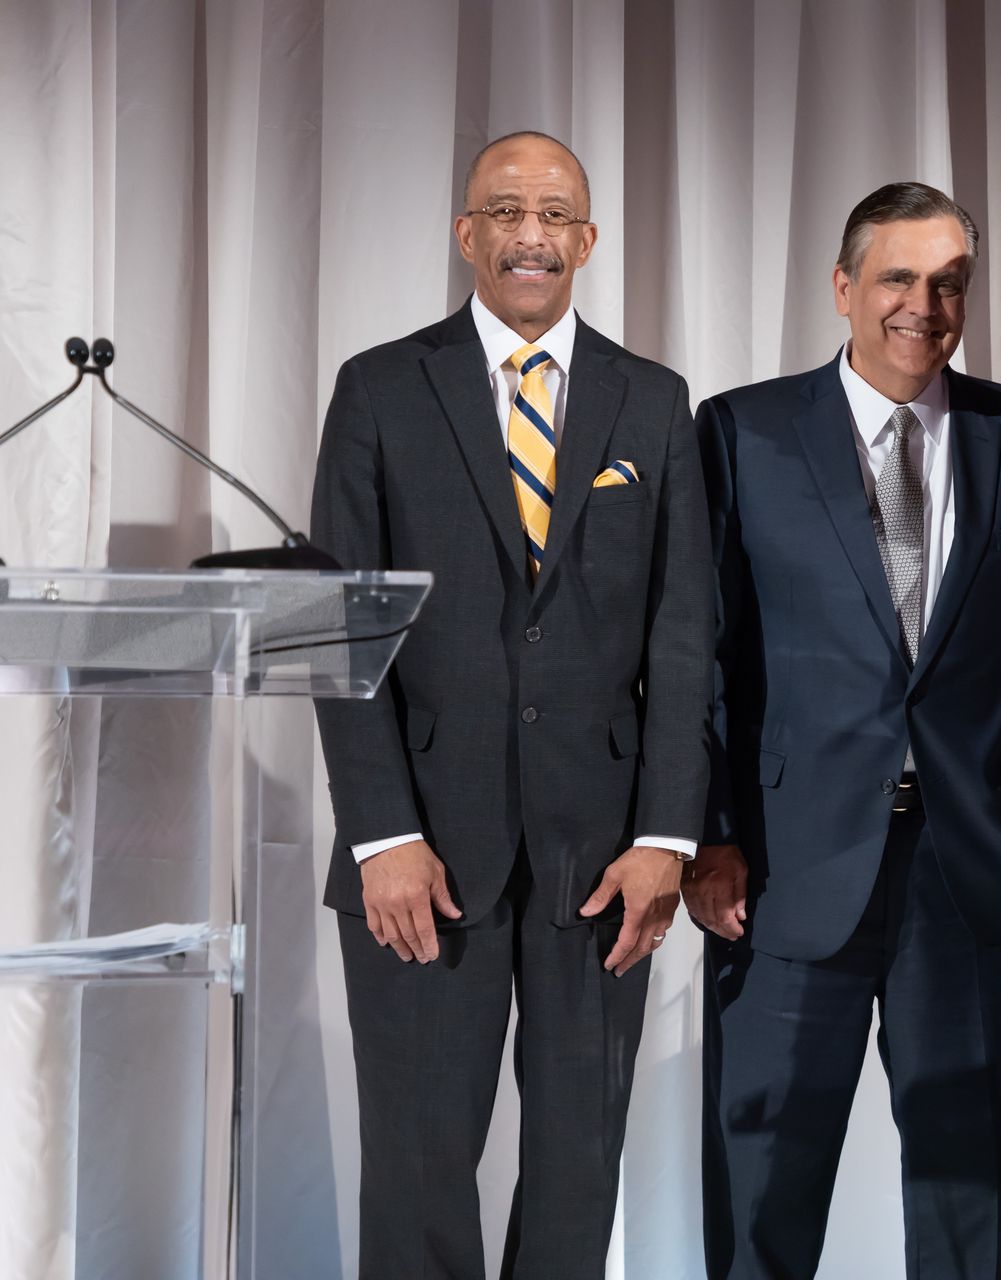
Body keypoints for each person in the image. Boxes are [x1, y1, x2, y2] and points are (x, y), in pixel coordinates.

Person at [310, 130, 711, 1279]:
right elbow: (341, 624)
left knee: (581, 1171)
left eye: (553, 214)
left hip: (604, 865)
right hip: (422, 857)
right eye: (504, 210)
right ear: (466, 233)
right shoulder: (381, 388)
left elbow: (685, 637)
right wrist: (383, 832)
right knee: (420, 1171)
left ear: (588, 240)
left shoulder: (653, 401)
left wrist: (664, 836)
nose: (529, 233)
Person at [687, 181, 1001, 1280]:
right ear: (844, 289)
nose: (925, 303)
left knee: (970, 1208)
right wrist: (708, 831)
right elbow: (699, 652)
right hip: (780, 871)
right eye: (899, 278)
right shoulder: (740, 431)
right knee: (760, 1196)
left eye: (949, 281)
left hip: (975, 877)